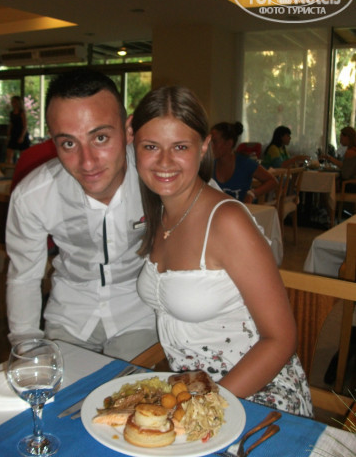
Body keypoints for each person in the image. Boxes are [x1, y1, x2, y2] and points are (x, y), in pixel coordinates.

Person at [131, 85, 312, 416]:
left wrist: (205, 408)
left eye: (180, 147)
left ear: (204, 147)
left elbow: (281, 339)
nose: (164, 161)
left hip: (255, 394)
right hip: (190, 392)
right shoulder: (160, 212)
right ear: (135, 147)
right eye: (151, 146)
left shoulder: (227, 221)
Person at [6, 68, 157, 361]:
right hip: (70, 315)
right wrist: (27, 349)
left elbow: (214, 214)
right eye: (68, 143)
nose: (87, 162)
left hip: (141, 312)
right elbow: (24, 277)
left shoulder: (158, 174)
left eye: (100, 138)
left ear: (129, 130)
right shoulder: (34, 195)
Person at [210, 121, 277, 203]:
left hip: (241, 209)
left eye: (214, 142)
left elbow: (272, 181)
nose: (210, 146)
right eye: (209, 142)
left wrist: (252, 194)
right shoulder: (209, 164)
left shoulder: (245, 163)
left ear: (229, 143)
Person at [6, 96, 31, 164]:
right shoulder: (12, 113)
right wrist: (8, 134)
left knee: (22, 155)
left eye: (14, 102)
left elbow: (25, 125)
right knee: (9, 153)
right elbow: (11, 124)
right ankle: (9, 168)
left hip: (21, 133)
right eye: (12, 102)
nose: (13, 103)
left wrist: (22, 136)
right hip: (14, 134)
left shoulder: (22, 113)